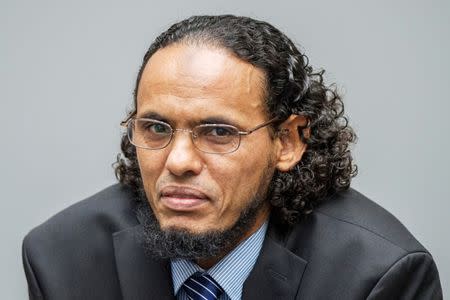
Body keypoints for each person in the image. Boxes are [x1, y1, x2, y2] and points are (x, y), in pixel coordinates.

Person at [22, 15, 442, 300]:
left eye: (219, 132)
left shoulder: (377, 276)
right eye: (156, 128)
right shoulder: (61, 258)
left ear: (288, 141)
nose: (179, 161)